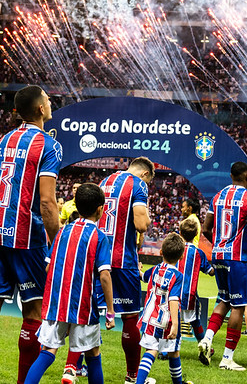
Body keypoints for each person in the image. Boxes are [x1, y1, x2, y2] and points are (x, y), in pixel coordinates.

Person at [0, 85, 62, 384]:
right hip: (26, 237)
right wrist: (56, 243)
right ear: (40, 109)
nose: (51, 102)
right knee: (34, 311)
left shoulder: (5, 139)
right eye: (48, 99)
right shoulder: (48, 145)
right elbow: (46, 201)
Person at [23, 183, 115, 384]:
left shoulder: (62, 232)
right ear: (100, 209)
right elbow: (105, 275)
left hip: (56, 303)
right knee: (92, 353)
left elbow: (48, 267)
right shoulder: (99, 237)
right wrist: (110, 310)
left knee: (48, 351)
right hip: (82, 305)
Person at [90, 156, 153, 384]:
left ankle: (75, 367)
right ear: (145, 174)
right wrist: (147, 219)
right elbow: (140, 224)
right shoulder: (139, 185)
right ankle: (133, 376)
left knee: (89, 313)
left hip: (97, 256)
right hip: (122, 259)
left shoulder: (105, 181)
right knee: (130, 316)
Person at [198, 161, 247, 371]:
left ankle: (207, 339)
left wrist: (219, 243)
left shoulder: (217, 197)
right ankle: (227, 358)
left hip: (218, 255)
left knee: (223, 299)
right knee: (238, 305)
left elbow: (206, 228)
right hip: (238, 259)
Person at [133, 232, 192, 384]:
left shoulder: (155, 269)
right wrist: (175, 324)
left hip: (150, 318)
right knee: (174, 351)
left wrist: (138, 269)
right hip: (166, 321)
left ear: (160, 252)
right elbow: (173, 300)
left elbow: (143, 277)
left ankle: (139, 382)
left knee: (150, 351)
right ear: (181, 257)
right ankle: (178, 382)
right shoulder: (177, 276)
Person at [177, 218, 214, 344]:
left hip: (173, 292)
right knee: (195, 320)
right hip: (190, 294)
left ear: (180, 233)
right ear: (196, 234)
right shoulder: (199, 253)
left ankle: (167, 351)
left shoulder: (175, 249)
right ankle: (203, 344)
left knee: (173, 319)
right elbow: (210, 272)